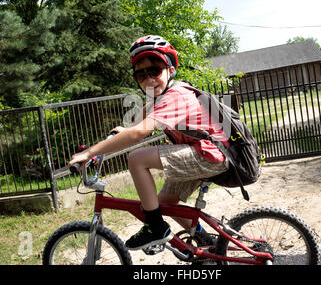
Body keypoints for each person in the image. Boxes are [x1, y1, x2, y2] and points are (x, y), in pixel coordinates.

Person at [68, 35, 229, 250]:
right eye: (141, 74)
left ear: (170, 70)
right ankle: (207, 242)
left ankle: (155, 228)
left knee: (137, 159)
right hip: (203, 154)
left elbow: (138, 134)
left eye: (154, 71)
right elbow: (135, 127)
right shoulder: (157, 99)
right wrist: (118, 135)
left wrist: (88, 153)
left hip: (211, 155)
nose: (148, 79)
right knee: (162, 204)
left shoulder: (175, 96)